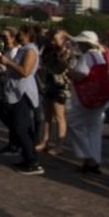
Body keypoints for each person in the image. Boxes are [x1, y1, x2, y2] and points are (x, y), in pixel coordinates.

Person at [0, 24, 42, 175]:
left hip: (23, 93)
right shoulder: (24, 49)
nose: (18, 36)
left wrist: (8, 62)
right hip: (16, 91)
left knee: (21, 128)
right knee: (20, 126)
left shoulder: (30, 50)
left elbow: (25, 71)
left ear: (27, 34)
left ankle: (32, 161)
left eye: (20, 33)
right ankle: (28, 156)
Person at [67, 30, 107, 174]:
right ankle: (94, 160)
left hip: (85, 98)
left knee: (74, 123)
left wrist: (69, 71)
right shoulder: (99, 55)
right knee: (94, 129)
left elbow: (81, 75)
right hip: (99, 97)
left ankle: (87, 156)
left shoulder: (86, 56)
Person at [35, 27, 71, 156]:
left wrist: (65, 40)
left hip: (60, 84)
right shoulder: (47, 50)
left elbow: (63, 65)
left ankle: (59, 144)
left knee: (59, 115)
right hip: (49, 82)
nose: (52, 42)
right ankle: (45, 141)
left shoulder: (66, 50)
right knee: (47, 115)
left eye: (55, 39)